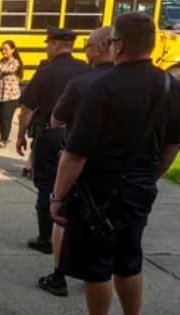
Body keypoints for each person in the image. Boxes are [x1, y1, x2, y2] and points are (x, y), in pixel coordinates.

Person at [49, 12, 180, 315]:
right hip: (140, 187)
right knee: (129, 258)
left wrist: (57, 196)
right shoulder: (172, 86)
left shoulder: (101, 87)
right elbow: (174, 143)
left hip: (98, 190)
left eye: (111, 42)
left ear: (119, 45)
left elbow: (75, 154)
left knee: (97, 266)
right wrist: (152, 175)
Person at [35, 26, 115, 297]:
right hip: (129, 173)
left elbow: (58, 121)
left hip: (87, 165)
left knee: (64, 218)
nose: (87, 51)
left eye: (89, 46)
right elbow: (172, 142)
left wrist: (57, 196)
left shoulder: (85, 83)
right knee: (118, 236)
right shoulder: (159, 83)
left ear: (103, 47)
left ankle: (59, 275)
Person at [16, 27, 89, 255]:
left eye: (48, 43)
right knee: (77, 183)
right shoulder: (87, 70)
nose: (46, 47)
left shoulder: (46, 71)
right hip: (80, 134)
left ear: (57, 45)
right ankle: (73, 234)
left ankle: (46, 237)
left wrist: (20, 136)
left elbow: (27, 108)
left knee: (46, 184)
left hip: (50, 134)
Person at [0, 40, 23, 148]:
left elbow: (7, 70)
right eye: (2, 49)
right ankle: (4, 135)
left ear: (12, 50)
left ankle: (3, 139)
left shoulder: (15, 62)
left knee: (5, 117)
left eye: (6, 49)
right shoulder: (1, 61)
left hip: (10, 95)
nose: (3, 51)